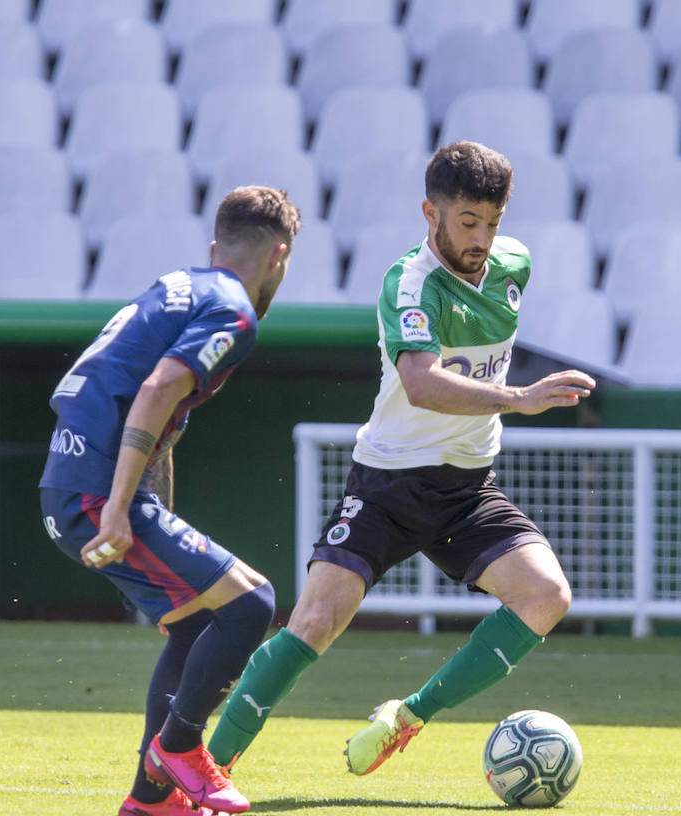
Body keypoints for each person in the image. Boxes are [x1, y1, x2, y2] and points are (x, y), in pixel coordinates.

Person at [207, 141, 597, 783]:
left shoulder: (513, 265)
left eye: (493, 223)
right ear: (430, 212)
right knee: (314, 623)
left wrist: (508, 403)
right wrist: (518, 399)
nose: (481, 237)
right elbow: (421, 382)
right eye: (467, 222)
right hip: (388, 486)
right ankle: (207, 764)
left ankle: (410, 718)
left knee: (547, 595)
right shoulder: (409, 283)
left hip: (468, 490)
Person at [40, 186, 301, 816]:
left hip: (72, 480)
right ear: (280, 258)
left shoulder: (180, 286)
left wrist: (160, 522)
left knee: (196, 621)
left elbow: (163, 416)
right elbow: (156, 394)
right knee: (254, 604)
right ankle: (179, 748)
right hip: (95, 490)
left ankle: (150, 799)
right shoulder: (235, 312)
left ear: (217, 247)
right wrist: (120, 508)